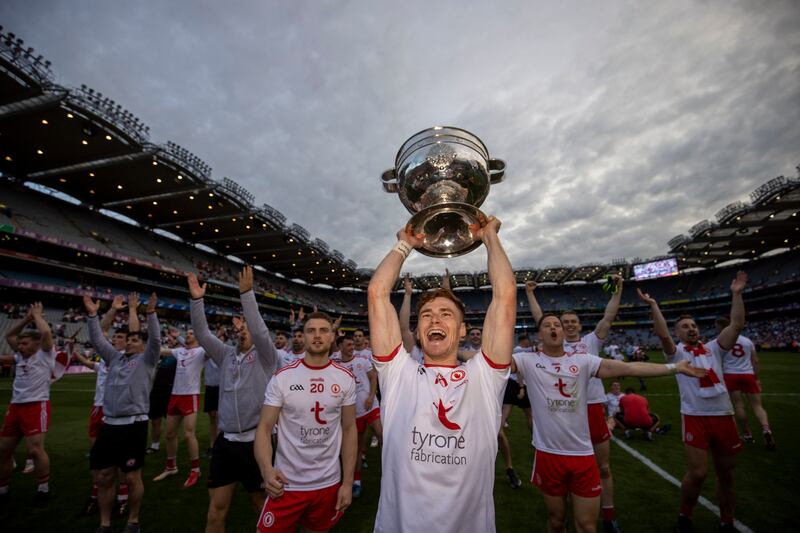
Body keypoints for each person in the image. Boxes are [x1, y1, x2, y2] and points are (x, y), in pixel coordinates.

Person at [367, 216, 516, 533]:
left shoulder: (484, 378)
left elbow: (504, 297)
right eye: (426, 315)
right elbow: (378, 293)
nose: (435, 320)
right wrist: (405, 243)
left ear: (462, 330)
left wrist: (489, 237)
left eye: (446, 314)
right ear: (419, 332)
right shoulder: (397, 374)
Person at [512, 313, 706, 533]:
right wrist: (461, 349)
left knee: (587, 526)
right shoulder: (527, 360)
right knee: (556, 521)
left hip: (582, 455)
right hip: (548, 453)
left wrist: (674, 368)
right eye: (547, 325)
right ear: (541, 333)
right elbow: (490, 362)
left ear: (564, 333)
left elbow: (629, 368)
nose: (553, 328)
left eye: (557, 324)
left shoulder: (584, 360)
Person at [642, 271, 748, 533]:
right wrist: (654, 306)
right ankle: (685, 515)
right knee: (698, 472)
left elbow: (735, 326)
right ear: (679, 333)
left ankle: (726, 521)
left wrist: (736, 294)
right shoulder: (677, 352)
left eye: (693, 325)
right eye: (685, 327)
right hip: (695, 416)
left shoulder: (713, 347)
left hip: (723, 415)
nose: (691, 329)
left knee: (726, 473)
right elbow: (663, 336)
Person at [526, 275, 624, 533]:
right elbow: (540, 319)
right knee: (567, 462)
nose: (567, 325)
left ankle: (608, 514)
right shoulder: (550, 343)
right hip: (564, 412)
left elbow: (608, 318)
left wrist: (617, 291)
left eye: (572, 322)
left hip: (592, 407)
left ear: (579, 326)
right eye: (564, 322)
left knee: (602, 466)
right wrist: (531, 294)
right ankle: (565, 511)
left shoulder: (590, 342)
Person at [189, 268, 279, 533]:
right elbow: (203, 335)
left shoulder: (266, 356)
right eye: (239, 330)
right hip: (226, 443)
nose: (242, 332)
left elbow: (261, 332)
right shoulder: (226, 354)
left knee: (260, 506)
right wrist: (197, 301)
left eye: (247, 329)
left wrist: (246, 295)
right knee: (216, 511)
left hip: (256, 443)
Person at [254, 312, 357, 533]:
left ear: (332, 337)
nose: (317, 336)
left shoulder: (345, 378)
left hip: (328, 484)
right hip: (286, 484)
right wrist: (266, 469)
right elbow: (263, 429)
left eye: (323, 331)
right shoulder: (283, 377)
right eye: (311, 331)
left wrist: (347, 483)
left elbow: (349, 430)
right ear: (303, 336)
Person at [84, 292, 161, 533]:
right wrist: (92, 314)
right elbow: (97, 339)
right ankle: (105, 523)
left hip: (133, 425)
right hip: (110, 425)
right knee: (105, 475)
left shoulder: (147, 360)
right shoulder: (114, 358)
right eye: (128, 340)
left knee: (131, 477)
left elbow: (156, 341)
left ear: (143, 345)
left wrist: (150, 313)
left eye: (135, 340)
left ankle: (133, 520)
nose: (129, 343)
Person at [0, 303, 56, 505]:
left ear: (36, 344)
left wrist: (38, 316)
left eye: (24, 343)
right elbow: (9, 337)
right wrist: (25, 320)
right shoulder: (19, 356)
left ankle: (43, 488)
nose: (20, 346)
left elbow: (47, 333)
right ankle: (3, 488)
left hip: (36, 405)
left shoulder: (45, 354)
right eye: (20, 344)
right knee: (4, 450)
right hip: (15, 407)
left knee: (35, 450)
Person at [717, 317, 775, 449]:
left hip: (731, 375)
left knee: (739, 405)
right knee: (757, 406)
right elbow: (755, 361)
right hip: (748, 374)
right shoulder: (747, 341)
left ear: (722, 327)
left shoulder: (721, 341)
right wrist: (756, 378)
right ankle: (766, 430)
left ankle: (747, 434)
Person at [336, 334, 382, 498]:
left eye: (352, 344)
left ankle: (391, 471)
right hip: (354, 413)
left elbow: (373, 377)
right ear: (340, 347)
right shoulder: (337, 366)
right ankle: (356, 481)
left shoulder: (361, 360)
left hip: (371, 406)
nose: (351, 347)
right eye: (348, 344)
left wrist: (371, 396)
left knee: (382, 434)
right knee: (355, 449)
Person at [203, 356, 221, 459]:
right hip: (210, 388)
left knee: (219, 418)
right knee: (212, 418)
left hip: (220, 387)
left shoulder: (222, 352)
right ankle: (212, 445)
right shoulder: (206, 352)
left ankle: (218, 447)